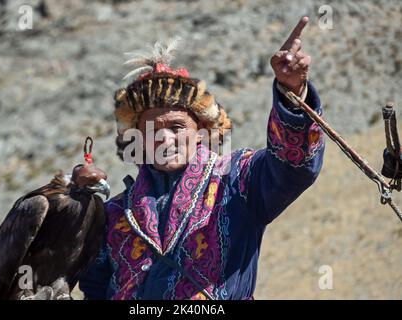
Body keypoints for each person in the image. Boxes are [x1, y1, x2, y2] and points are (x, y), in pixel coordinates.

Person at [79, 16, 325, 300]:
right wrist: (76, 205)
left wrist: (291, 90)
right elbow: (94, 289)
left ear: (201, 131)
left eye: (176, 126)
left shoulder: (237, 178)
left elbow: (292, 167)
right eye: (151, 129)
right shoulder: (114, 212)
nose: (163, 138)